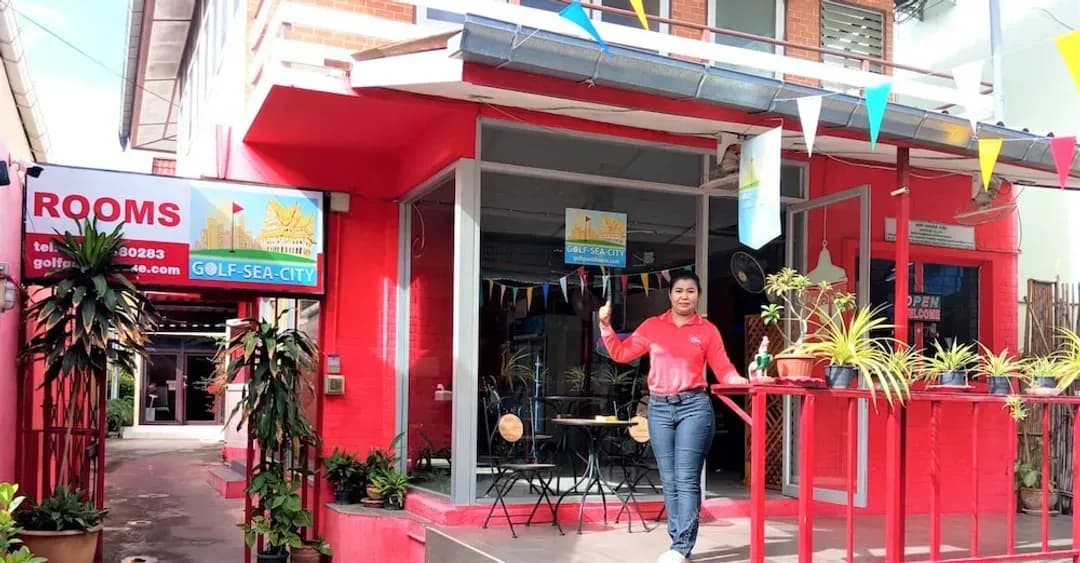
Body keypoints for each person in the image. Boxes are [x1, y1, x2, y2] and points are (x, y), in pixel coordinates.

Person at [598, 270, 747, 563]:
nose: (684, 296)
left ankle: (681, 546)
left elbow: (723, 367)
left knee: (686, 478)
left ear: (698, 295)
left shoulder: (707, 330)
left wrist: (738, 380)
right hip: (659, 409)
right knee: (669, 480)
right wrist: (605, 325)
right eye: (679, 291)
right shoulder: (653, 326)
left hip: (694, 408)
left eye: (691, 291)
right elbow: (621, 353)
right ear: (669, 295)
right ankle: (678, 542)